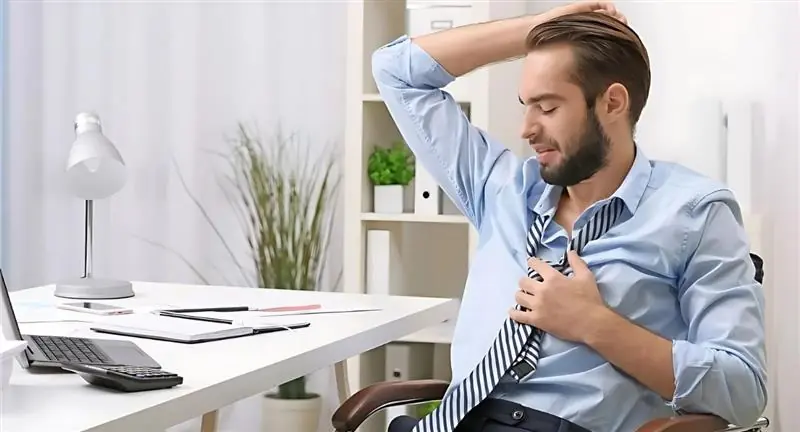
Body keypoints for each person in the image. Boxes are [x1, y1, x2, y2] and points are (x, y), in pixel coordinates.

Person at [371, 2, 768, 432]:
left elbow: (743, 388)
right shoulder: (501, 189)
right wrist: (541, 27)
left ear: (612, 102)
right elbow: (395, 71)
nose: (526, 129)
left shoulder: (695, 213)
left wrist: (595, 325)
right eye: (526, 105)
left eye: (547, 107)